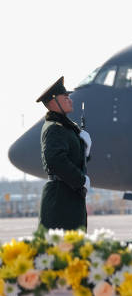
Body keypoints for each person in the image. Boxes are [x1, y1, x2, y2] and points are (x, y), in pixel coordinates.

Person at [37, 76, 91, 230]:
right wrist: (81, 180)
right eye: (66, 97)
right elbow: (55, 160)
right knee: (61, 250)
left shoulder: (66, 128)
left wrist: (85, 149)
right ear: (54, 101)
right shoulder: (54, 128)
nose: (70, 100)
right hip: (60, 199)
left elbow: (74, 158)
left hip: (69, 195)